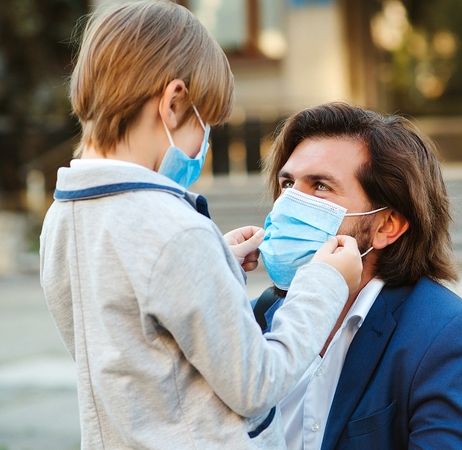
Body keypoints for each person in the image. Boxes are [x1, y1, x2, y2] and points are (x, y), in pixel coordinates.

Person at [39, 2, 362, 449]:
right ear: (173, 103)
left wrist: (216, 261)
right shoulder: (174, 231)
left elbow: (138, 332)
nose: (202, 145)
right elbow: (258, 384)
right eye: (203, 123)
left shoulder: (62, 218)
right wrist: (324, 283)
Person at [256, 102, 462, 449]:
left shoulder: (446, 335)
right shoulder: (254, 318)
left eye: (320, 186)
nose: (290, 203)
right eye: (288, 183)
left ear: (387, 225)